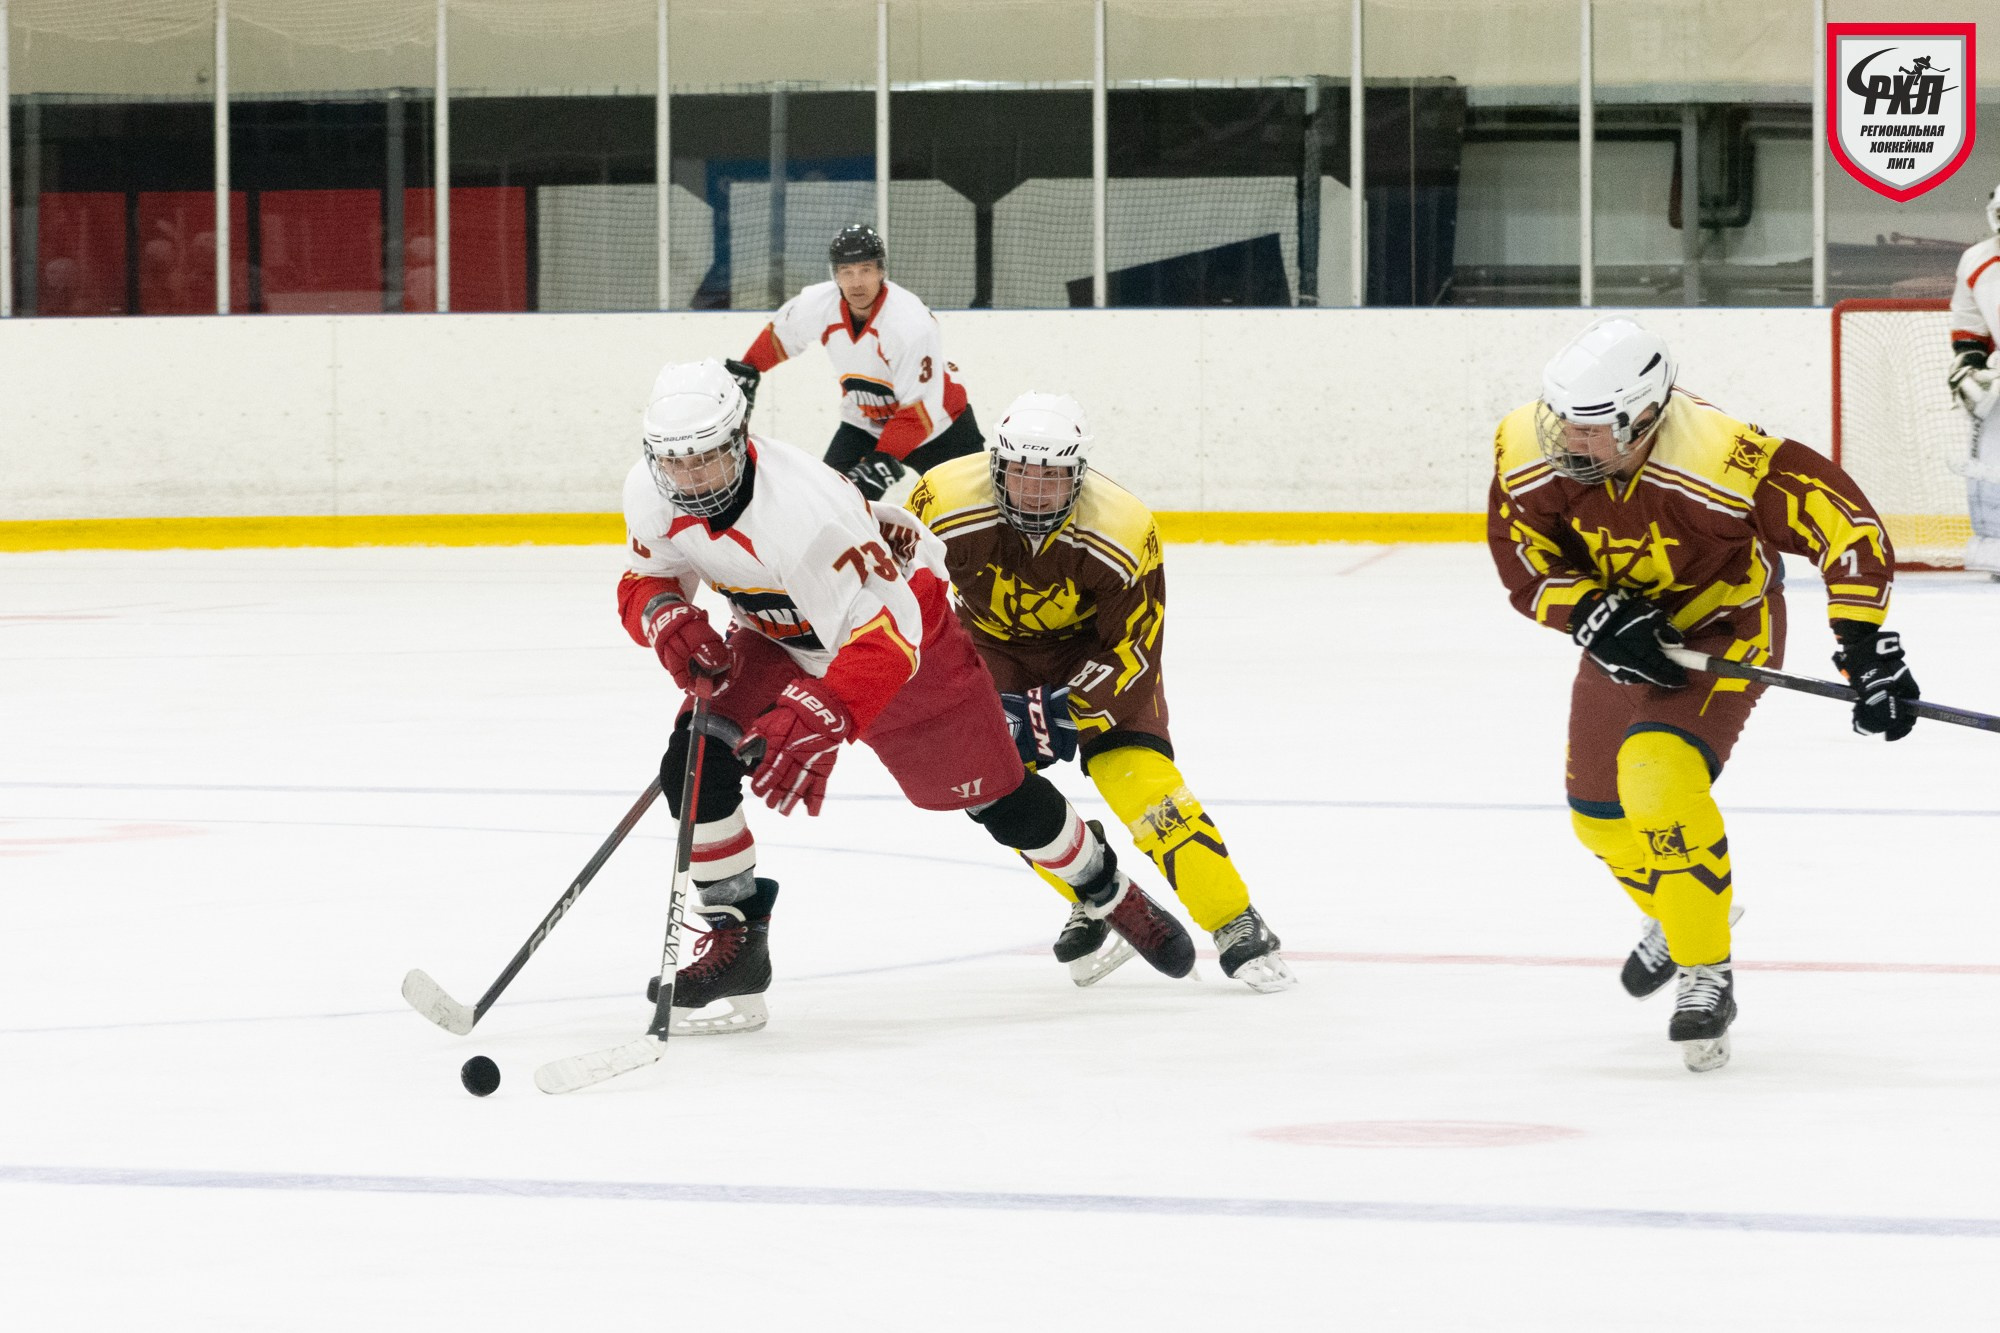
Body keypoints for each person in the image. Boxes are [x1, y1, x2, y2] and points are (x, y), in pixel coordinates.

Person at [617, 359, 1194, 1034]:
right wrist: (663, 615)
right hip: (776, 632)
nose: (692, 480)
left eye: (708, 460)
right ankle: (738, 941)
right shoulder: (650, 492)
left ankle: (1106, 888)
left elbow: (890, 636)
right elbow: (648, 574)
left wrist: (824, 710)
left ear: (741, 441)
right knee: (694, 761)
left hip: (908, 640)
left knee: (997, 800)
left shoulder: (804, 513)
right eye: (676, 463)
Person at [1488, 316, 1921, 1072]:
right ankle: (1683, 903)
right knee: (1599, 821)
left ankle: (1704, 970)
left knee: (1657, 781)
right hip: (1627, 639)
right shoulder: (1528, 443)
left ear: (1644, 415)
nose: (1565, 439)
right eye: (1561, 418)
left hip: (1725, 631)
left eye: (1590, 427)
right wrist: (1590, 611)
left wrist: (1864, 646)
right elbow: (1524, 556)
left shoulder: (1722, 456)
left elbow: (1844, 525)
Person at [907, 392, 1295, 993]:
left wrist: (1065, 709)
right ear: (996, 466)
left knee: (1142, 784)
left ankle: (1234, 919)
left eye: (1053, 477)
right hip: (992, 651)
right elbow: (908, 604)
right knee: (994, 790)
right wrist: (949, 686)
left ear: (1080, 474)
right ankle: (1094, 894)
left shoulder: (1123, 527)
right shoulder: (941, 501)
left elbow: (1134, 648)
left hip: (1094, 651)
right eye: (1022, 473)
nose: (1036, 492)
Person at [733, 223, 983, 503]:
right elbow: (781, 336)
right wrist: (748, 368)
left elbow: (920, 411)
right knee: (830, 502)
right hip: (867, 422)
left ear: (881, 272)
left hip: (940, 426)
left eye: (865, 270)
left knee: (971, 510)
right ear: (835, 275)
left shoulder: (909, 324)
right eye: (846, 271)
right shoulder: (820, 304)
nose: (856, 283)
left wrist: (882, 460)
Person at [1944, 181, 2000, 577]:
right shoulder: (1977, 261)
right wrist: (1970, 368)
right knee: (1991, 455)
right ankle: (1996, 546)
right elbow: (1970, 328)